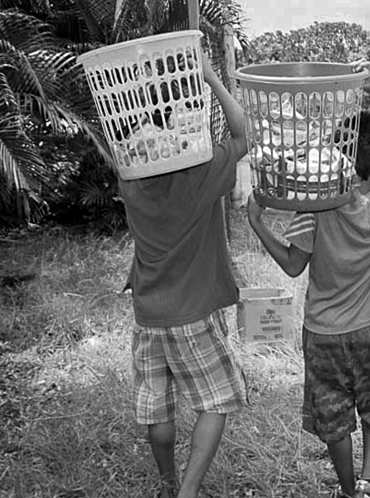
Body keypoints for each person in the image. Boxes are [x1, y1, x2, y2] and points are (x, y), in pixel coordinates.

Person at [246, 60, 370, 498]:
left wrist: (257, 221)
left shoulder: (315, 209)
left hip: (322, 332)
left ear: (337, 154)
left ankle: (347, 489)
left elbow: (292, 265)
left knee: (334, 416)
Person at [119, 52, 249, 498]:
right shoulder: (200, 172)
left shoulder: (130, 181)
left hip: (148, 313)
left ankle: (166, 481)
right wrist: (211, 76)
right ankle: (187, 492)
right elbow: (242, 132)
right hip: (193, 311)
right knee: (217, 400)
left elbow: (139, 142)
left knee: (158, 409)